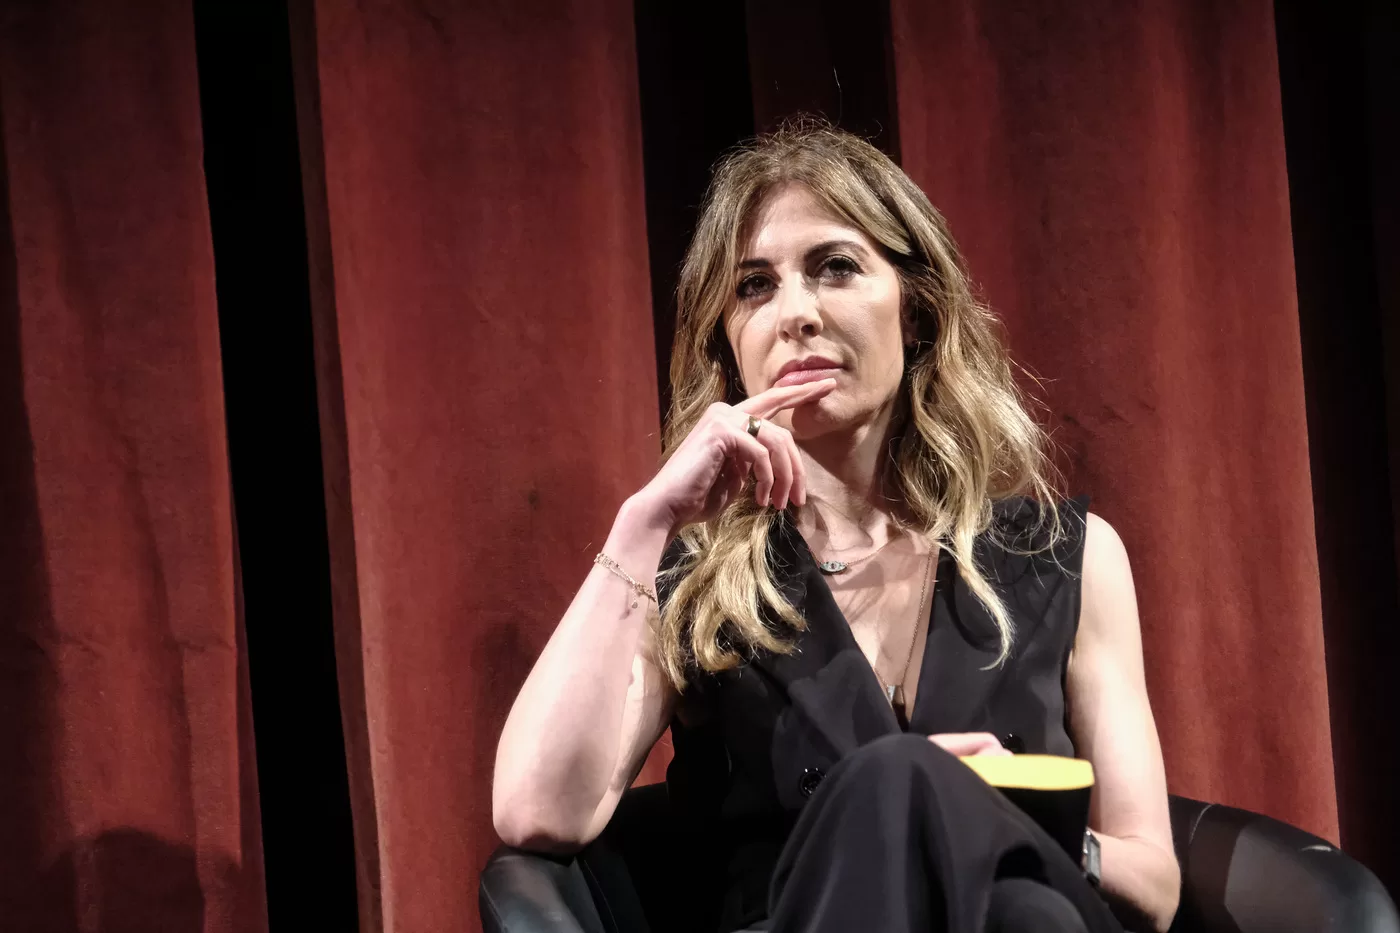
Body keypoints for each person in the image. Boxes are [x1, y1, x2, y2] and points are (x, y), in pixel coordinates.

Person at [493, 121, 1180, 933]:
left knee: (1017, 898)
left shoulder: (1062, 557)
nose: (796, 314)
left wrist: (1004, 824)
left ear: (916, 310)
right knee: (909, 791)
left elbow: (1155, 883)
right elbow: (535, 810)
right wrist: (643, 523)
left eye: (836, 267)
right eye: (755, 287)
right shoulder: (699, 586)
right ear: (730, 344)